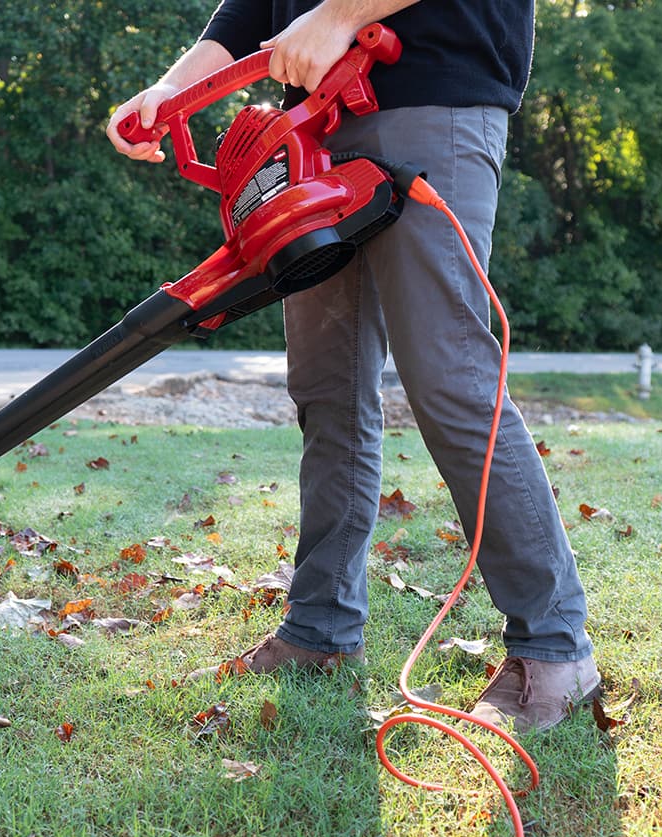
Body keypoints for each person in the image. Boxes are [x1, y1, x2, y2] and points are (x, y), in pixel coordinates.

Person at [106, 0, 598, 733]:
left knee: (450, 380)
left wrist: (339, 14)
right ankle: (320, 632)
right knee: (327, 391)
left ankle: (555, 648)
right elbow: (255, 7)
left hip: (431, 96)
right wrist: (173, 88)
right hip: (309, 131)